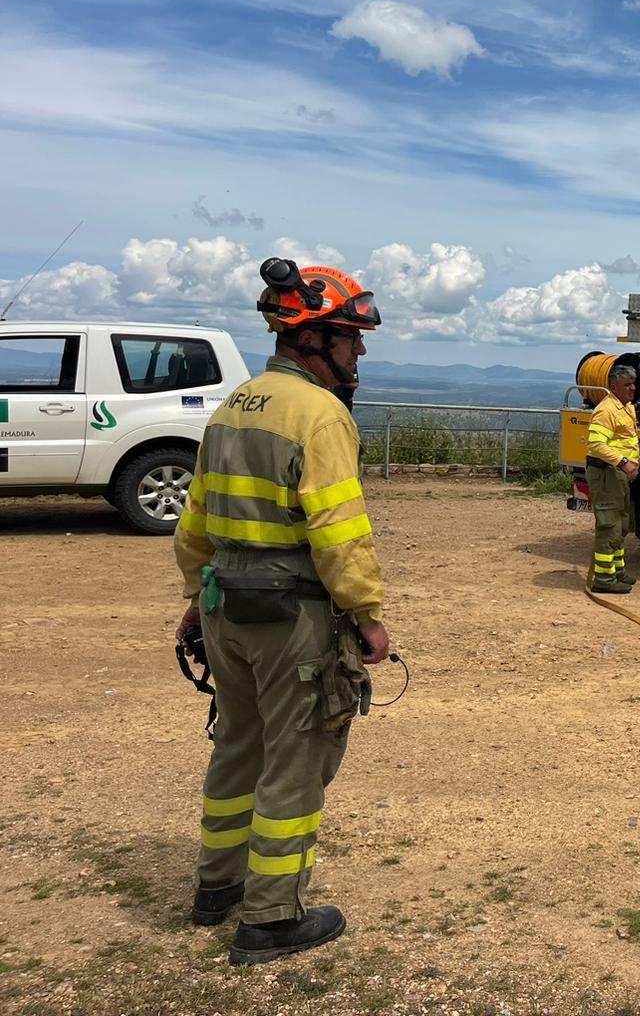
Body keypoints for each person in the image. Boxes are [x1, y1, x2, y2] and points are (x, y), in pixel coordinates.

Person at [174, 260, 389, 965]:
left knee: (238, 745)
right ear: (312, 340)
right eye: (350, 339)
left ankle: (217, 889)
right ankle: (269, 919)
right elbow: (337, 531)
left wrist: (192, 604)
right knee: (296, 762)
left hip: (221, 606)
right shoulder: (320, 415)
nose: (359, 352)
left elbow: (195, 520)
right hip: (290, 617)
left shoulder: (235, 406)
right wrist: (367, 614)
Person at [587, 363, 640, 594]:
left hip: (618, 475)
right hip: (607, 473)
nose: (632, 388)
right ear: (613, 387)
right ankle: (604, 579)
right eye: (627, 384)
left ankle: (617, 571)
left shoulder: (625, 407)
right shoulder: (607, 409)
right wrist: (623, 462)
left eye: (633, 383)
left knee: (622, 524)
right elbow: (596, 444)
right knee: (609, 525)